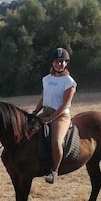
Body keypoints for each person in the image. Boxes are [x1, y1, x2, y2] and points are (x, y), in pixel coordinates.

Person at [32, 47, 77, 184]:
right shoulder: (46, 79)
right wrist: (34, 113)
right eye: (57, 61)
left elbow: (65, 104)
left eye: (62, 61)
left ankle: (54, 171)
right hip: (45, 111)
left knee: (56, 141)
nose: (60, 64)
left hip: (61, 116)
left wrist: (50, 119)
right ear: (52, 63)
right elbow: (43, 98)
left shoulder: (69, 82)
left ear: (66, 63)